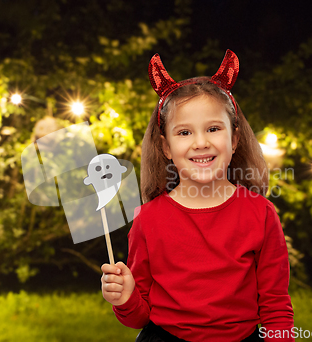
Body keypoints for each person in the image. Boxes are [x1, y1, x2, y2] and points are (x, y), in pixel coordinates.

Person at [101, 50, 295, 342]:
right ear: (166, 147)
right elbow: (140, 316)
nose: (201, 142)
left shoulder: (261, 214)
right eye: (184, 133)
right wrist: (126, 298)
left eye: (213, 128)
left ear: (234, 140)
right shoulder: (149, 219)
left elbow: (276, 308)